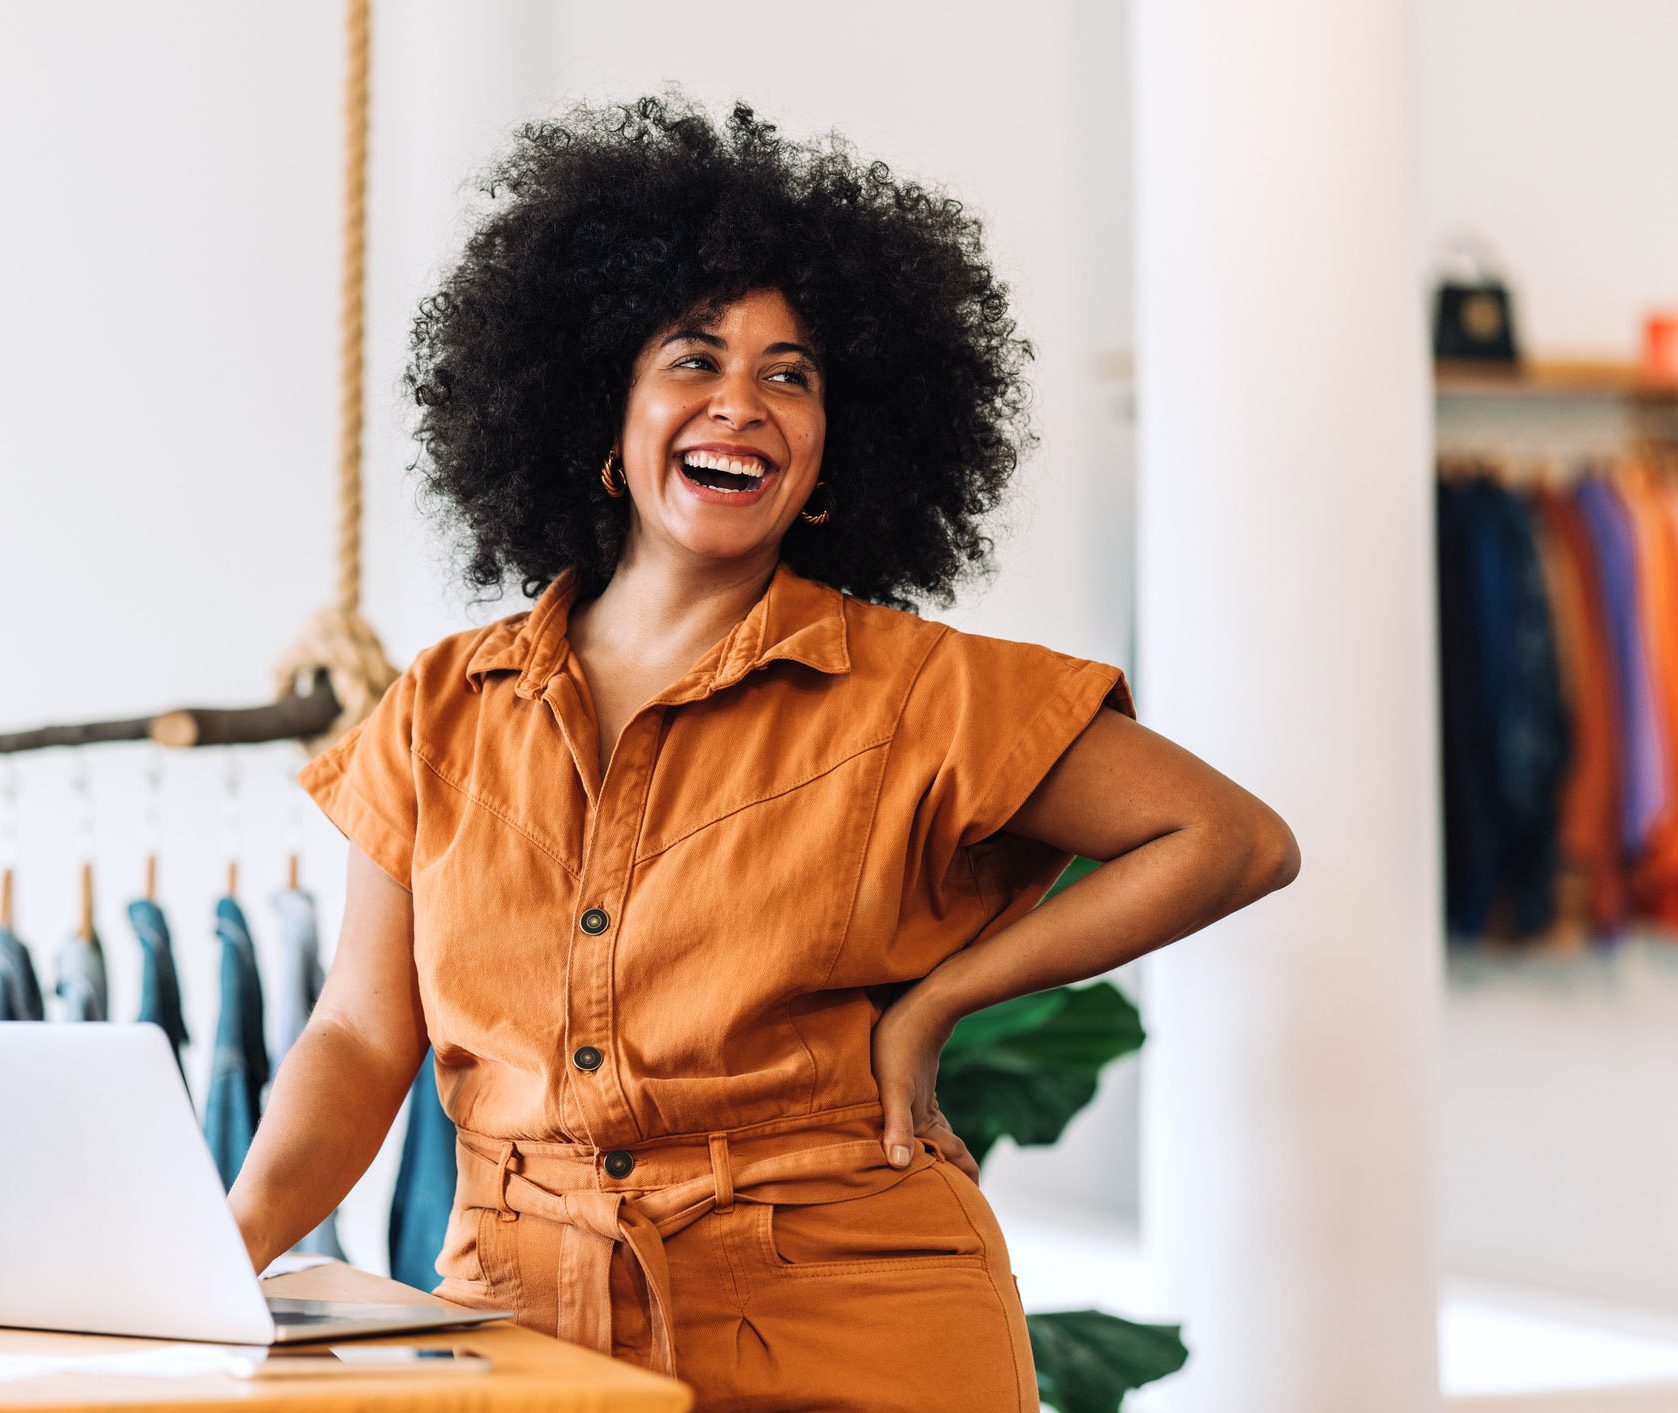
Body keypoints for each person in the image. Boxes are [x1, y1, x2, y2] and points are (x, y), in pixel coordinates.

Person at [230, 92, 1300, 1411]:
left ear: (834, 458)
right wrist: (228, 1251)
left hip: (854, 1317)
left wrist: (942, 998)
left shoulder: (918, 691)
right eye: (692, 358)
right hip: (521, 1318)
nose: (739, 402)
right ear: (597, 421)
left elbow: (1230, 837)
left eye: (788, 376)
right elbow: (354, 1030)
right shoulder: (442, 703)